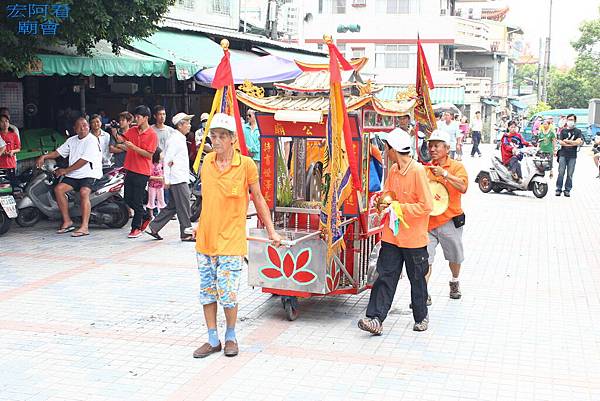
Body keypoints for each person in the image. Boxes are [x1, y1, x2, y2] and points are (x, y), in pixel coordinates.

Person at [193, 113, 281, 359]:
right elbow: (207, 200)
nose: (217, 140)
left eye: (222, 136)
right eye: (214, 135)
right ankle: (212, 339)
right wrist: (199, 224)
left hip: (231, 242)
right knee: (207, 292)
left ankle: (230, 335)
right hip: (206, 242)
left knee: (228, 294)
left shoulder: (246, 165)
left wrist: (271, 230)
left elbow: (259, 198)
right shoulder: (207, 163)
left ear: (233, 139)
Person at [358, 129, 433, 335]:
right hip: (391, 235)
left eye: (386, 148)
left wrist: (400, 208)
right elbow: (389, 193)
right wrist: (382, 202)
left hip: (414, 238)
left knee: (416, 278)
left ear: (393, 149)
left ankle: (421, 316)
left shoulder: (417, 171)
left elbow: (426, 206)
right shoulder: (392, 170)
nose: (385, 151)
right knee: (385, 275)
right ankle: (375, 318)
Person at [35, 117, 102, 237]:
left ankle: (84, 226)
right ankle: (67, 221)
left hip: (90, 173)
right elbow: (57, 153)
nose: (83, 128)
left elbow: (84, 161)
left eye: (85, 125)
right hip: (75, 174)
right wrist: (43, 157)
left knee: (84, 192)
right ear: (74, 129)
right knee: (58, 189)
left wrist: (65, 170)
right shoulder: (72, 140)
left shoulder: (92, 140)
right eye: (80, 126)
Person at [425, 130, 468, 301]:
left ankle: (454, 280)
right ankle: (423, 293)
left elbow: (463, 187)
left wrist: (445, 174)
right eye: (430, 146)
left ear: (447, 148)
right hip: (429, 223)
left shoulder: (457, 167)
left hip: (450, 220)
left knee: (455, 256)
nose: (432, 149)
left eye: (436, 146)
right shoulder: (426, 169)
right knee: (425, 259)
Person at [146, 113, 194, 242]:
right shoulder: (175, 139)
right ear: (180, 125)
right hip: (177, 178)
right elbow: (167, 159)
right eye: (187, 123)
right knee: (184, 207)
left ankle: (154, 226)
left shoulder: (179, 138)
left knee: (172, 206)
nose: (189, 125)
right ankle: (186, 233)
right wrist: (166, 179)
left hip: (180, 177)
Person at [115, 105, 158, 238]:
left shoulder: (152, 134)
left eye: (138, 117)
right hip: (130, 168)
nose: (136, 119)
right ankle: (146, 216)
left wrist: (133, 147)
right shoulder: (132, 130)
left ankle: (136, 227)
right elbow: (120, 139)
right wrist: (115, 130)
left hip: (142, 171)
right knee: (128, 198)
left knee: (138, 200)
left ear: (145, 118)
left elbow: (149, 155)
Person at [555, 113, 583, 197]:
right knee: (561, 172)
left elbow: (578, 142)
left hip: (572, 156)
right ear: (566, 120)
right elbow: (561, 142)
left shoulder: (578, 131)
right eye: (569, 119)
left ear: (575, 121)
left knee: (570, 174)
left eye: (572, 120)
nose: (570, 121)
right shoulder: (563, 131)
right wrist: (572, 143)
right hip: (563, 154)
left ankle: (567, 190)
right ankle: (558, 189)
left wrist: (568, 142)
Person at [0, 114, 21, 186]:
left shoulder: (13, 134)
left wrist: (13, 151)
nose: (5, 123)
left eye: (6, 121)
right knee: (2, 184)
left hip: (10, 163)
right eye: (2, 122)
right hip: (1, 163)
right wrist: (3, 153)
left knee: (11, 183)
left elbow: (18, 148)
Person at [146, 148, 166, 215]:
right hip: (152, 186)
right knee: (151, 200)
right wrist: (159, 178)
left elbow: (163, 173)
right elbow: (149, 176)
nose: (162, 155)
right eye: (161, 154)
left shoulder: (161, 164)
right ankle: (151, 216)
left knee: (161, 200)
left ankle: (161, 215)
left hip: (160, 186)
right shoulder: (151, 165)